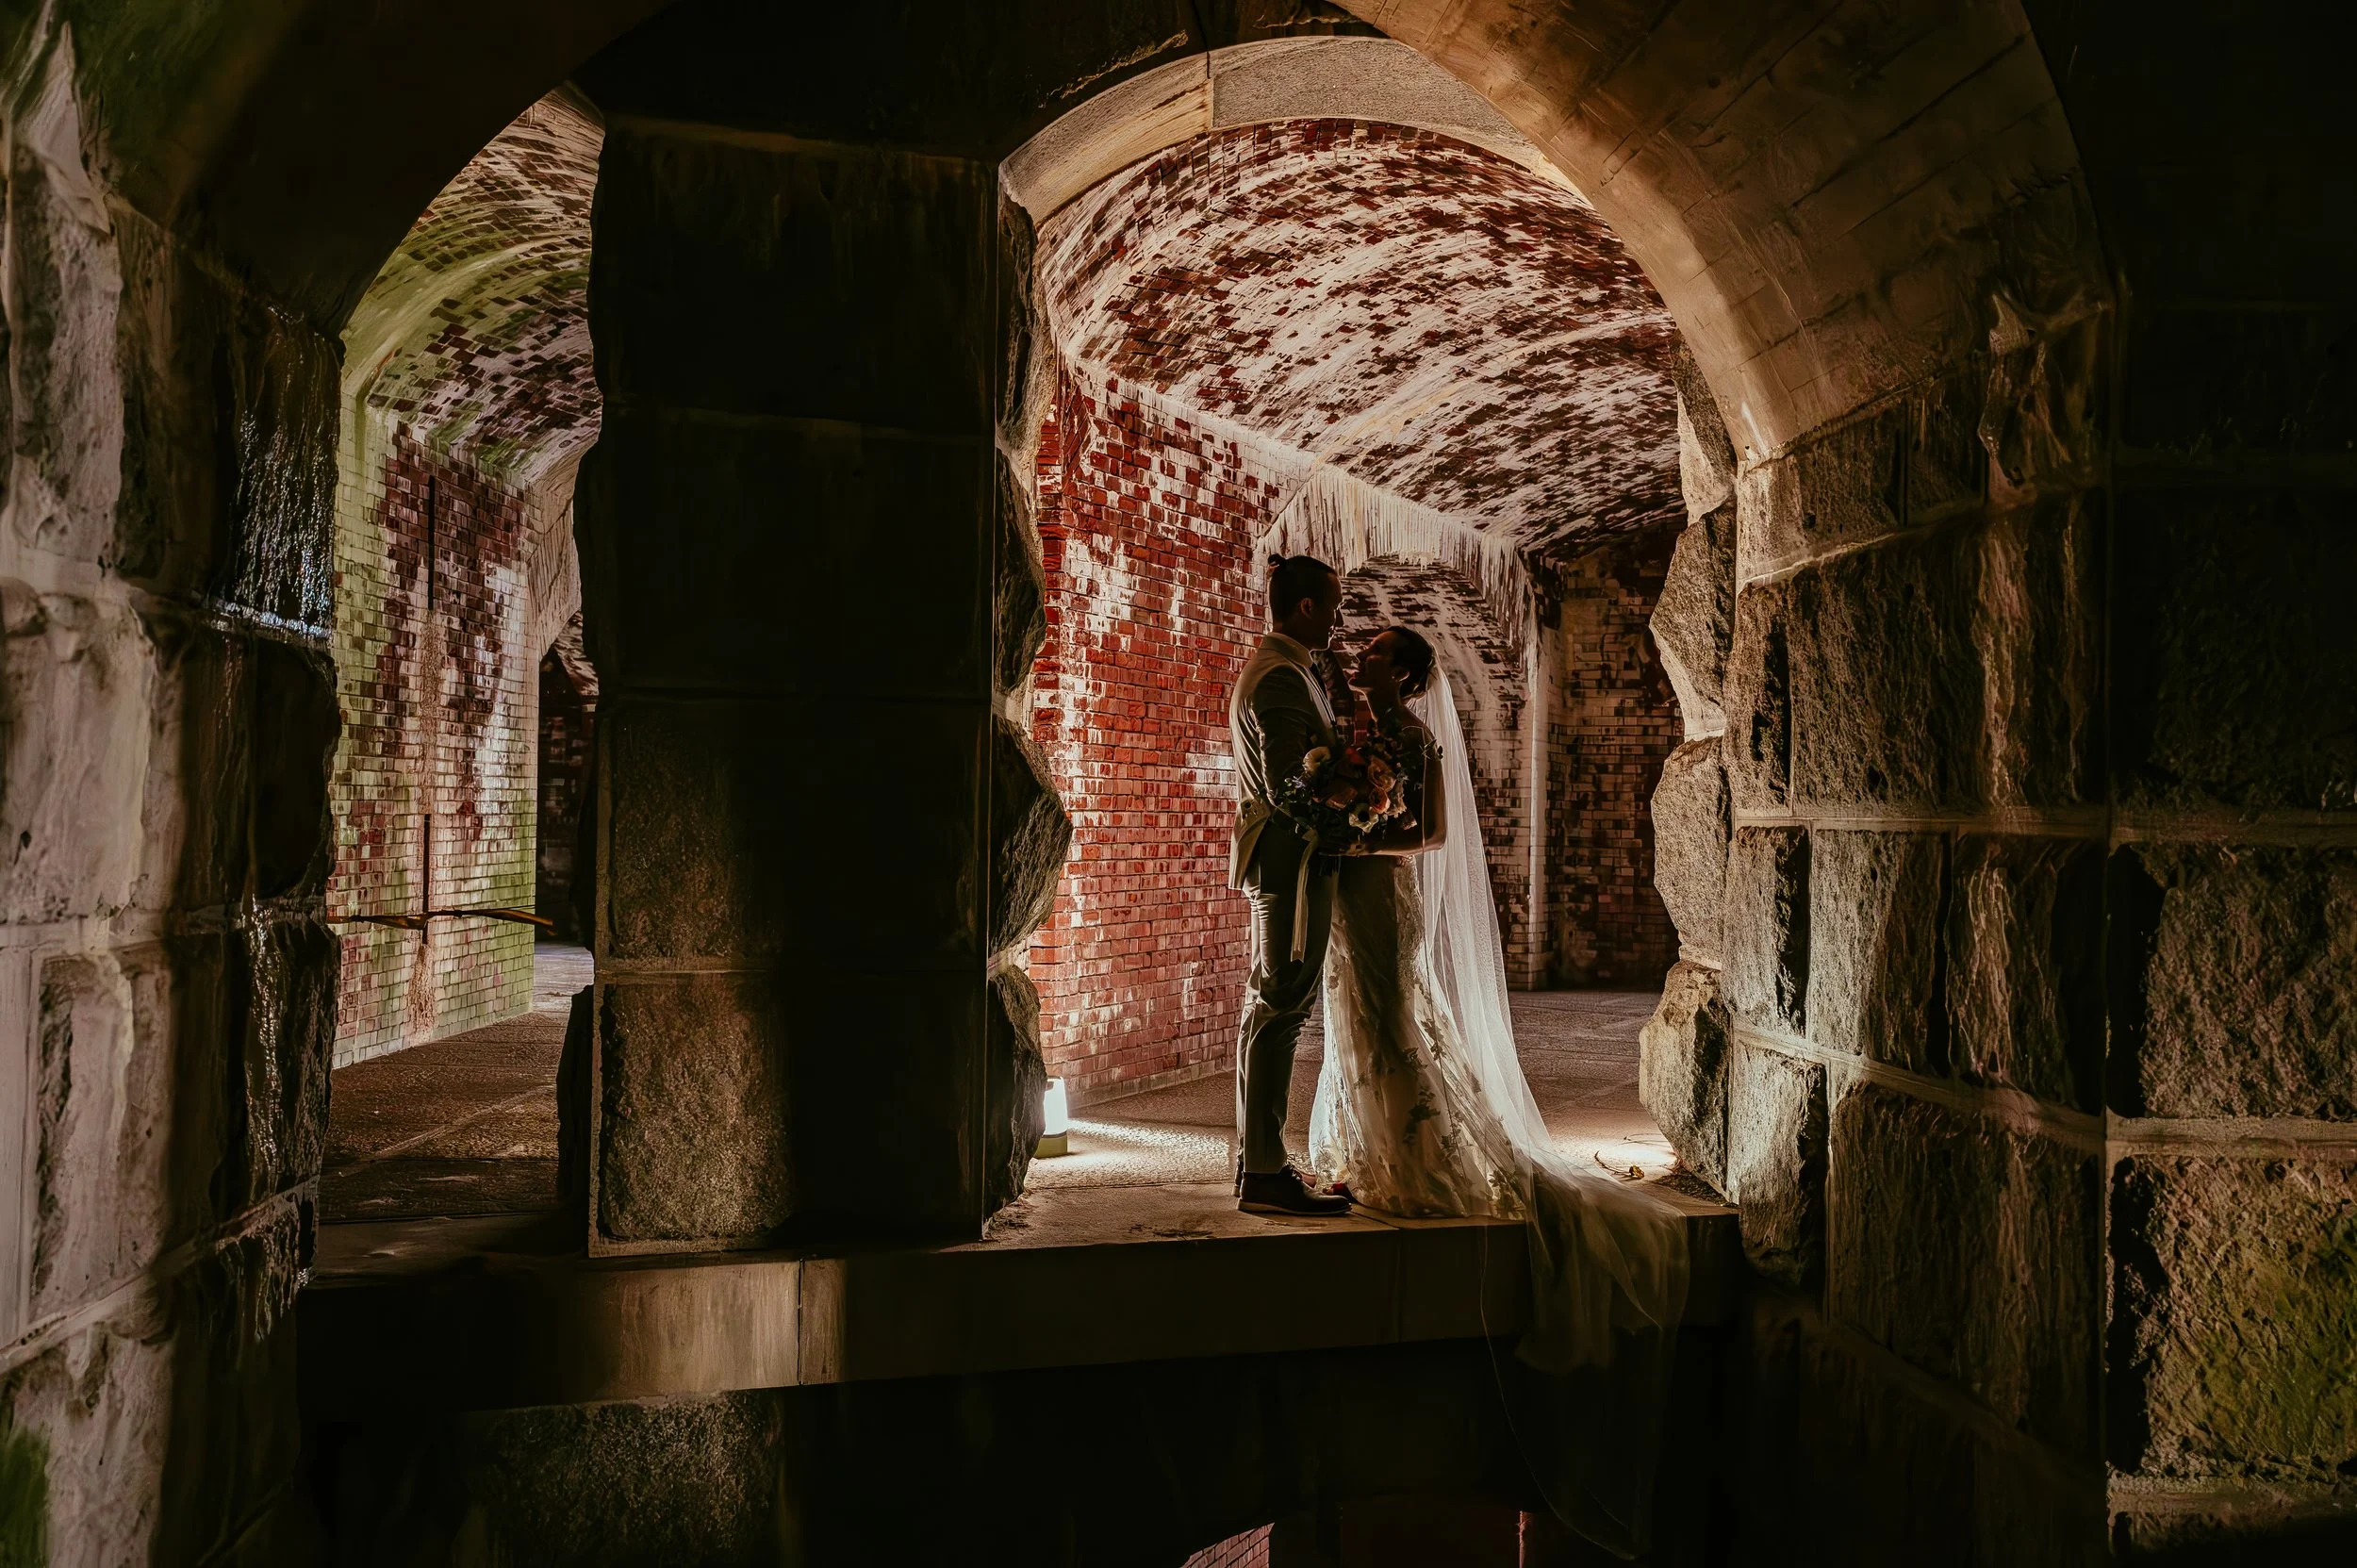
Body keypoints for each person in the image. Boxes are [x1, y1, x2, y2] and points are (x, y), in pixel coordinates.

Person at [1309, 623, 1694, 1556]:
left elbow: (1429, 832)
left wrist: (1358, 832)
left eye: (1372, 655)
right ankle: (1363, 1140)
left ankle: (1418, 1151)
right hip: (1343, 889)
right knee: (1357, 1017)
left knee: (1396, 1015)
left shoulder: (1416, 741)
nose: (1356, 661)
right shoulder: (1360, 732)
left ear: (1401, 673)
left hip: (1376, 886)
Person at [1226, 553, 1354, 1216]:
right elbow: (1286, 789)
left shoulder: (1285, 667)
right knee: (1283, 1007)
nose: (1337, 616)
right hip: (1294, 862)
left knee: (1267, 1007)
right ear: (1305, 606)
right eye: (1331, 603)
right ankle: (1266, 1172)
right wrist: (1345, 822)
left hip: (1281, 860)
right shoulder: (1279, 677)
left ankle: (1255, 1157)